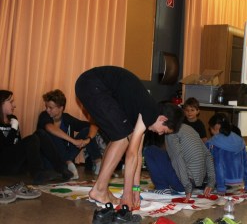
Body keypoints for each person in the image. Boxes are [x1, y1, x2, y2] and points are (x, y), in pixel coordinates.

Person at [75, 66, 184, 209]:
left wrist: (136, 190)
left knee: (119, 137)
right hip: (93, 85)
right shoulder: (150, 112)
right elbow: (130, 155)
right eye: (164, 131)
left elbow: (137, 155)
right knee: (122, 137)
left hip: (89, 85)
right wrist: (127, 195)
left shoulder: (144, 113)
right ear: (163, 119)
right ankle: (99, 190)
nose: (160, 134)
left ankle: (100, 188)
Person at [0, 90, 73, 187]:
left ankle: (61, 168)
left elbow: (18, 143)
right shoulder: (12, 123)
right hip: (3, 166)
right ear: (1, 103)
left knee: (40, 133)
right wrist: (13, 129)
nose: (14, 105)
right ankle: (38, 174)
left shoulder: (13, 118)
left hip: (16, 164)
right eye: (11, 102)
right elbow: (5, 148)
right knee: (31, 139)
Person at [37, 89, 102, 179]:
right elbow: (49, 127)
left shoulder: (67, 118)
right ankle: (68, 164)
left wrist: (88, 140)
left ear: (61, 108)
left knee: (87, 130)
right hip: (51, 157)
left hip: (67, 154)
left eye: (50, 108)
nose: (47, 110)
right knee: (54, 133)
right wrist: (73, 141)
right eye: (46, 107)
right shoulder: (44, 115)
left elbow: (93, 125)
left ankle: (98, 163)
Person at [144, 123, 216, 201]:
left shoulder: (171, 133)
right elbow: (208, 155)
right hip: (194, 183)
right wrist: (211, 182)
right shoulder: (189, 129)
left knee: (150, 150)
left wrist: (187, 187)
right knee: (166, 155)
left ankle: (162, 188)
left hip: (183, 185)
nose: (151, 129)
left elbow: (178, 159)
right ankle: (175, 187)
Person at [206, 112, 247, 195]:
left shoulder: (214, 141)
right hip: (238, 179)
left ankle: (221, 186)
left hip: (223, 181)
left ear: (216, 127)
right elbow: (246, 165)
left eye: (210, 129)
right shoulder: (240, 139)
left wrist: (221, 188)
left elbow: (218, 166)